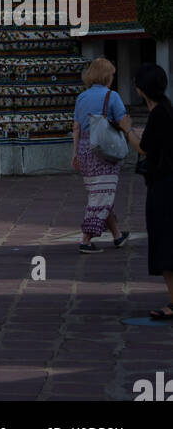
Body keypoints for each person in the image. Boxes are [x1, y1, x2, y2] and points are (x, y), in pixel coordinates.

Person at [72, 58, 134, 252]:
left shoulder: (81, 98)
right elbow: (123, 121)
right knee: (102, 195)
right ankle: (86, 239)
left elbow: (76, 128)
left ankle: (117, 235)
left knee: (100, 193)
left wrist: (75, 154)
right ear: (107, 76)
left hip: (84, 149)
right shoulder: (112, 96)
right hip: (104, 151)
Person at [133, 62, 173, 320]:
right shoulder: (165, 108)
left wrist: (127, 129)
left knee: (166, 245)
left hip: (164, 186)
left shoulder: (159, 113)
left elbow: (144, 148)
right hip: (166, 181)